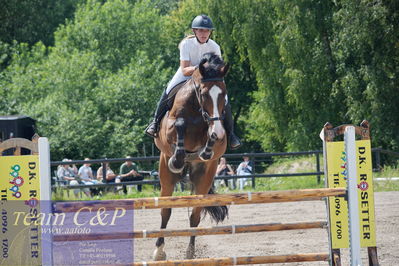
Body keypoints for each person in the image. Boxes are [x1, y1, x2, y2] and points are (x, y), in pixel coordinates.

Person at [144, 14, 241, 150]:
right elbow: (185, 69)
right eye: (200, 30)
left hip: (208, 78)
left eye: (206, 31)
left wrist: (213, 70)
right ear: (194, 31)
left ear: (210, 32)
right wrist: (200, 67)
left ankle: (231, 135)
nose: (204, 33)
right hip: (188, 73)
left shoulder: (215, 46)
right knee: (168, 90)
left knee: (224, 99)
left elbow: (218, 68)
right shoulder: (186, 44)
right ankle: (155, 123)